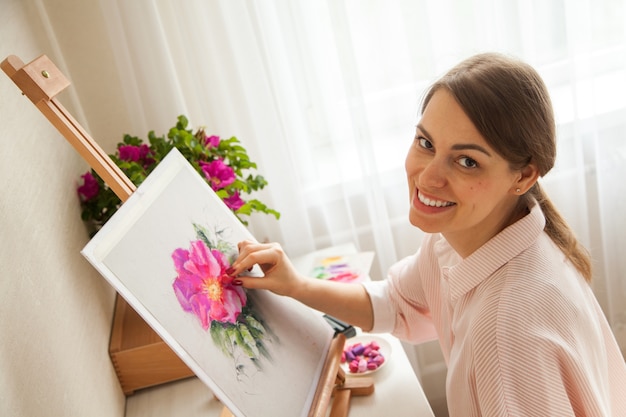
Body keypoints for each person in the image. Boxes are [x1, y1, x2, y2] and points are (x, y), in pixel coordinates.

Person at [228, 52, 626, 416]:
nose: (429, 176)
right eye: (425, 142)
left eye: (467, 161)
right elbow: (397, 302)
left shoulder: (506, 330)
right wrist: (296, 285)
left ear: (523, 176)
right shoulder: (458, 240)